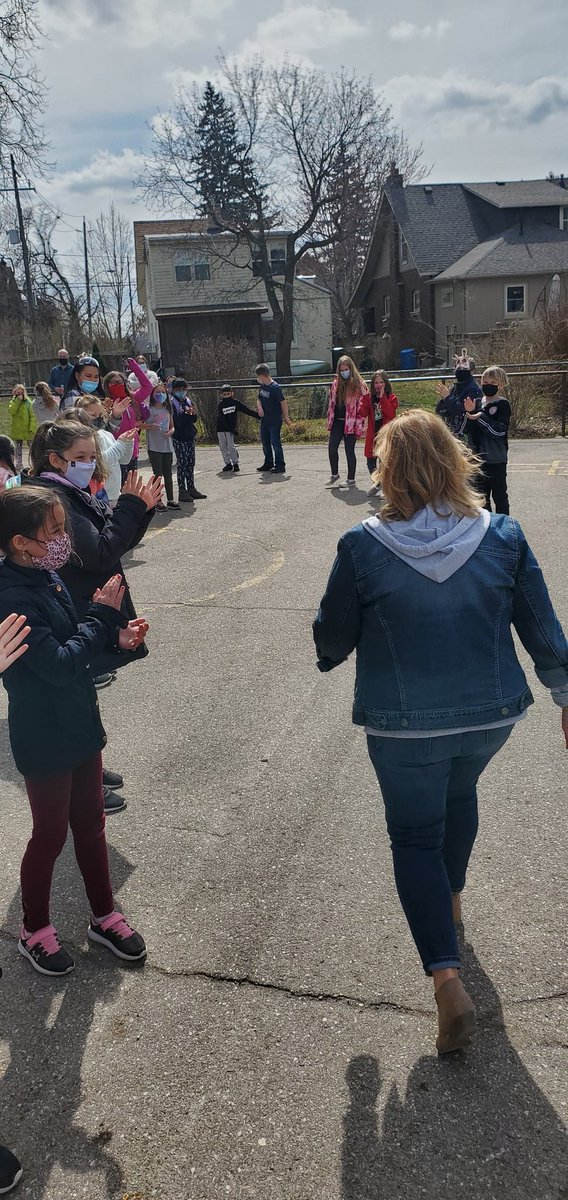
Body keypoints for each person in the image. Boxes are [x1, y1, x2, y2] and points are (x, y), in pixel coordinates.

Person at [313, 409, 568, 1054]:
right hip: (489, 716)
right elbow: (540, 625)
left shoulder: (363, 545)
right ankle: (451, 901)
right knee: (460, 796)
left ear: (387, 470)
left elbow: (332, 640)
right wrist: (565, 694)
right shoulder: (502, 535)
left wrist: (336, 640)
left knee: (414, 834)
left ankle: (446, 977)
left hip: (402, 726)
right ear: (455, 461)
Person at [0, 486, 148, 977]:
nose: (65, 540)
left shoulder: (47, 576)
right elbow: (60, 664)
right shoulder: (12, 599)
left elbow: (75, 649)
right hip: (44, 735)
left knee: (91, 825)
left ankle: (104, 916)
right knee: (49, 836)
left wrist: (117, 640)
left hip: (80, 723)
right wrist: (104, 616)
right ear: (21, 542)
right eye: (55, 532)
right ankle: (34, 930)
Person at [28, 421, 162, 813]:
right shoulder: (56, 497)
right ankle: (83, 785)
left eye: (92, 457)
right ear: (55, 460)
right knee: (72, 699)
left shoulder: (70, 490)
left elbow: (113, 542)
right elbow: (98, 553)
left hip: (79, 604)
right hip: (69, 607)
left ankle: (91, 766)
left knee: (84, 696)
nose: (89, 465)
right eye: (80, 458)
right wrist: (132, 507)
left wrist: (141, 511)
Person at [464, 365, 511, 515]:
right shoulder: (477, 403)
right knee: (481, 499)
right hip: (477, 459)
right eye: (485, 382)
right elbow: (467, 429)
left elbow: (498, 431)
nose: (487, 385)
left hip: (495, 459)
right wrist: (470, 412)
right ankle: (486, 527)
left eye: (492, 382)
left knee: (500, 497)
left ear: (500, 385)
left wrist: (479, 417)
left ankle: (504, 528)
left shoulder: (502, 404)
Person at [75, 397, 135, 507]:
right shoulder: (82, 440)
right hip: (99, 496)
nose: (97, 419)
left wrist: (128, 443)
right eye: (92, 415)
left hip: (115, 495)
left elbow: (124, 460)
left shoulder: (106, 434)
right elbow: (101, 461)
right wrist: (121, 443)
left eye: (99, 415)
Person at [103, 360, 153, 480]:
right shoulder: (106, 402)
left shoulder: (132, 399)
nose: (117, 384)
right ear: (107, 385)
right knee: (120, 487)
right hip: (116, 451)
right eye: (113, 382)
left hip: (132, 450)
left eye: (120, 382)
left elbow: (148, 386)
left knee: (131, 485)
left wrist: (135, 368)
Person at [325, 356, 369, 488]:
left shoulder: (359, 384)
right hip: (337, 421)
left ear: (351, 368)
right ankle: (334, 474)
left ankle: (351, 479)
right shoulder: (335, 384)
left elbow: (364, 405)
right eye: (342, 369)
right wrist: (329, 420)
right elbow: (331, 404)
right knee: (332, 447)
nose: (344, 372)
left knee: (349, 450)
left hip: (351, 422)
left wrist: (361, 424)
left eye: (346, 369)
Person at [171, 378, 206, 502]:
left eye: (183, 389)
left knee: (191, 463)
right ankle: (182, 490)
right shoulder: (172, 403)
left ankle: (191, 488)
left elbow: (194, 419)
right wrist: (186, 413)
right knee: (182, 464)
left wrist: (191, 413)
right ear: (173, 390)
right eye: (178, 389)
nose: (181, 391)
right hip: (179, 438)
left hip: (189, 436)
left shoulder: (187, 401)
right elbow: (177, 421)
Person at [435, 349, 482, 441]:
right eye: (458, 368)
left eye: (464, 369)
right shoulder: (455, 387)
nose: (460, 370)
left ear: (471, 371)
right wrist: (444, 399)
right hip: (452, 432)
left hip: (467, 435)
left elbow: (461, 411)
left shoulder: (474, 389)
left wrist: (447, 398)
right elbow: (441, 410)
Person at [145, 384, 179, 509]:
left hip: (167, 446)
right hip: (154, 446)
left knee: (168, 474)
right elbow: (140, 425)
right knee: (157, 473)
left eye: (163, 392)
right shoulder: (149, 409)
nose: (160, 394)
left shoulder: (167, 409)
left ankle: (170, 499)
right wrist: (150, 426)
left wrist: (171, 432)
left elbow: (172, 426)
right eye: (157, 392)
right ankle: (158, 499)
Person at [256, 364, 294, 475]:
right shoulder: (262, 386)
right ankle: (268, 463)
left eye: (259, 376)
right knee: (265, 442)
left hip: (274, 420)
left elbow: (283, 402)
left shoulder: (275, 388)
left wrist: (286, 417)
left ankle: (280, 465)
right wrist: (260, 408)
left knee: (275, 442)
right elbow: (258, 399)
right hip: (265, 419)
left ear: (262, 375)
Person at [362, 370, 399, 482]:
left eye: (381, 382)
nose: (378, 385)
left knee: (384, 461)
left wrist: (383, 398)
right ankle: (376, 482)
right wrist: (364, 397)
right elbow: (362, 413)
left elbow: (390, 414)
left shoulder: (392, 398)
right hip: (373, 434)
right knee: (370, 461)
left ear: (386, 383)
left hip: (385, 434)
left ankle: (385, 485)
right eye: (376, 383)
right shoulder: (369, 398)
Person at [216, 384, 260, 473]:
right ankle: (228, 463)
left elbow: (246, 410)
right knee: (223, 446)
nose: (226, 396)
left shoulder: (235, 403)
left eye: (228, 394)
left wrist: (258, 416)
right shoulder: (220, 404)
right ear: (221, 395)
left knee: (231, 446)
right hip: (221, 428)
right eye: (224, 394)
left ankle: (235, 463)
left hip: (230, 428)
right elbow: (222, 418)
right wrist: (230, 429)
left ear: (232, 393)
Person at [9, 386, 36, 472]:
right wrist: (17, 401)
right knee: (18, 448)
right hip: (18, 429)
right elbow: (11, 411)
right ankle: (19, 463)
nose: (20, 395)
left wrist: (32, 427)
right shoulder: (13, 402)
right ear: (14, 393)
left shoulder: (28, 402)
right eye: (18, 393)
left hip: (27, 429)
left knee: (32, 447)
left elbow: (33, 416)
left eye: (21, 393)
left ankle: (35, 463)